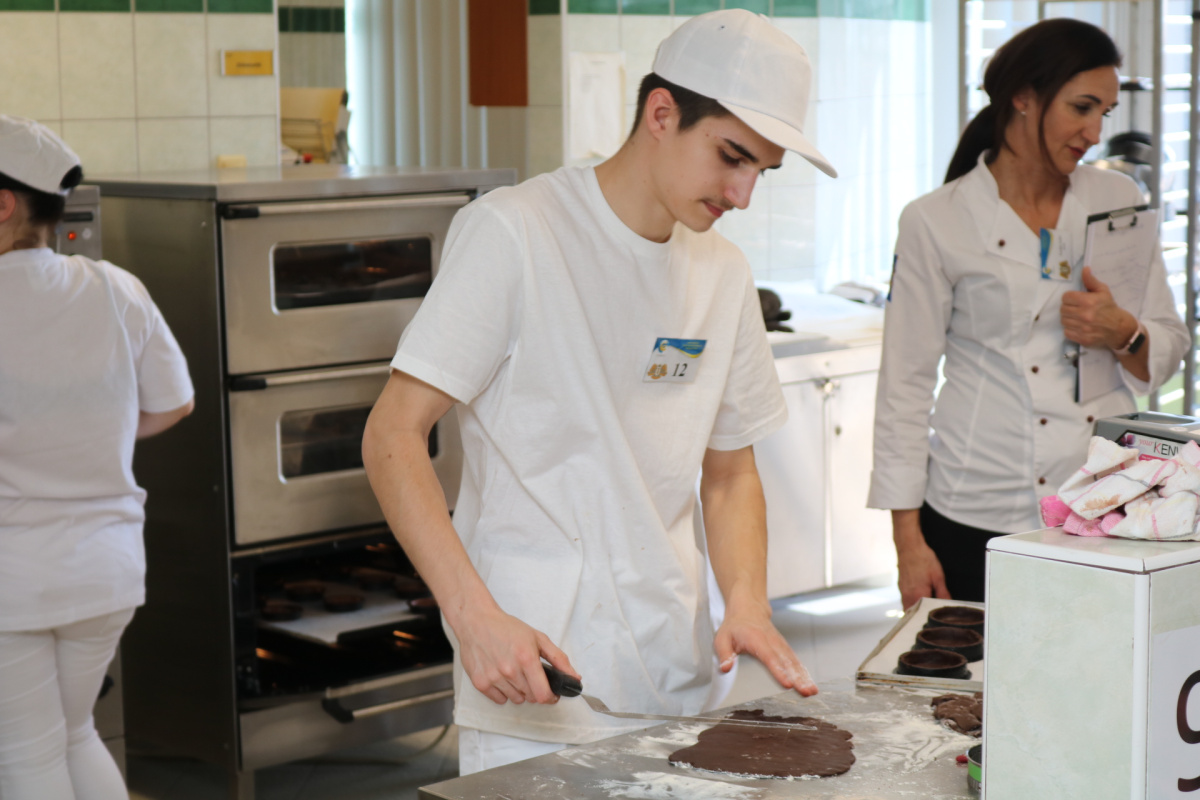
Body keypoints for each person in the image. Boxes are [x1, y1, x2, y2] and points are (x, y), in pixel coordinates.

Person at [362, 9, 836, 774]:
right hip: (531, 679)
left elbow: (729, 472)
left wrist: (747, 600)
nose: (744, 193)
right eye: (732, 156)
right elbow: (392, 435)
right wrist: (473, 616)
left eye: (763, 171)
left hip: (674, 676)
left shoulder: (723, 274)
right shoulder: (516, 232)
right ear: (661, 113)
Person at [868, 19, 1189, 610]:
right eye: (1081, 108)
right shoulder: (936, 220)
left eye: (1105, 112)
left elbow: (1166, 348)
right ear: (1022, 97)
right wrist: (907, 542)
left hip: (1101, 503)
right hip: (974, 504)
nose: (1095, 132)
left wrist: (1124, 332)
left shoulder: (1117, 201)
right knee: (977, 669)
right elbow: (903, 389)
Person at [0, 116, 195, 799]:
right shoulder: (116, 287)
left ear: (3, 204)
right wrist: (91, 434)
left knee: (27, 758)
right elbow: (175, 404)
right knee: (75, 734)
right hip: (106, 570)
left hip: (16, 578)